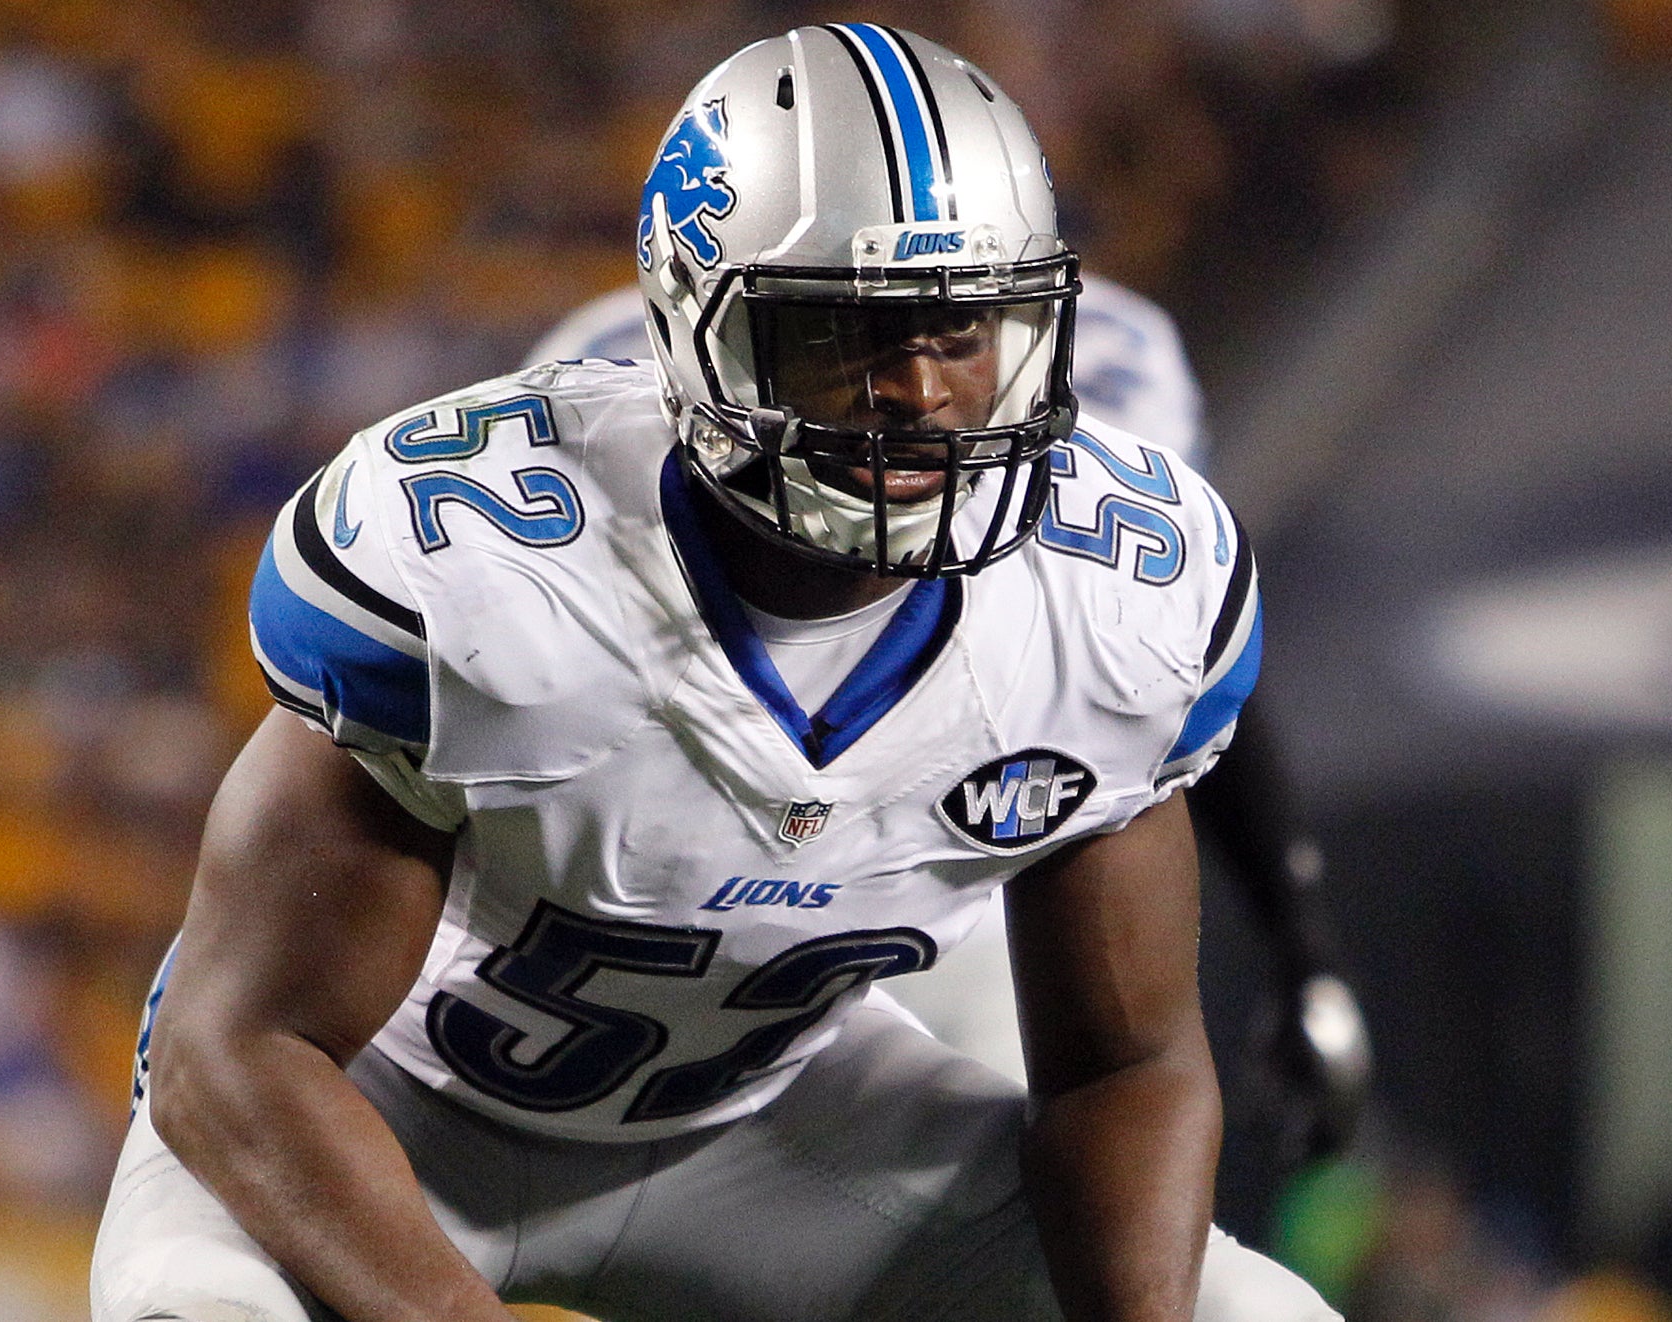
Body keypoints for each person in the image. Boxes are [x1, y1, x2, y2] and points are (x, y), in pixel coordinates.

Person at [91, 24, 1339, 1322]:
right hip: (382, 1115)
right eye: (842, 333)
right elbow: (232, 1052)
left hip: (763, 1124)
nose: (916, 387)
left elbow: (1121, 1065)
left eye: (961, 327)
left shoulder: (1120, 594)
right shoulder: (484, 568)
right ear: (694, 324)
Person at [522, 264, 1371, 1170]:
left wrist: (1300, 938)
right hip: (649, 819)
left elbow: (1160, 664)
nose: (917, 397)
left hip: (955, 853)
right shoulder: (616, 364)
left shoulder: (1112, 362)